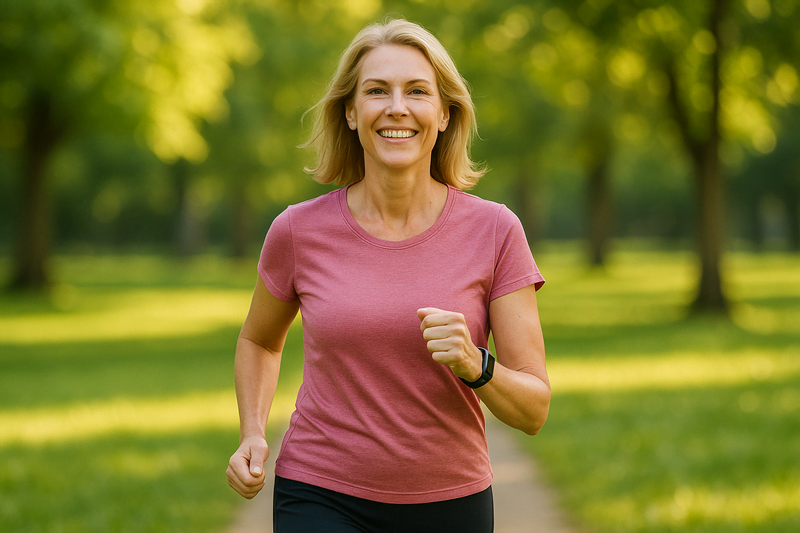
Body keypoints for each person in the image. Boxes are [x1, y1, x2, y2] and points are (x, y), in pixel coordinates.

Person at [226, 18, 550, 533]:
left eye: (417, 91)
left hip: (451, 500)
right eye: (377, 91)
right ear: (351, 113)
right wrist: (252, 433)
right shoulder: (297, 230)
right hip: (319, 492)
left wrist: (474, 362)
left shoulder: (495, 230)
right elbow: (260, 342)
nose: (396, 107)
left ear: (444, 114)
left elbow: (533, 409)